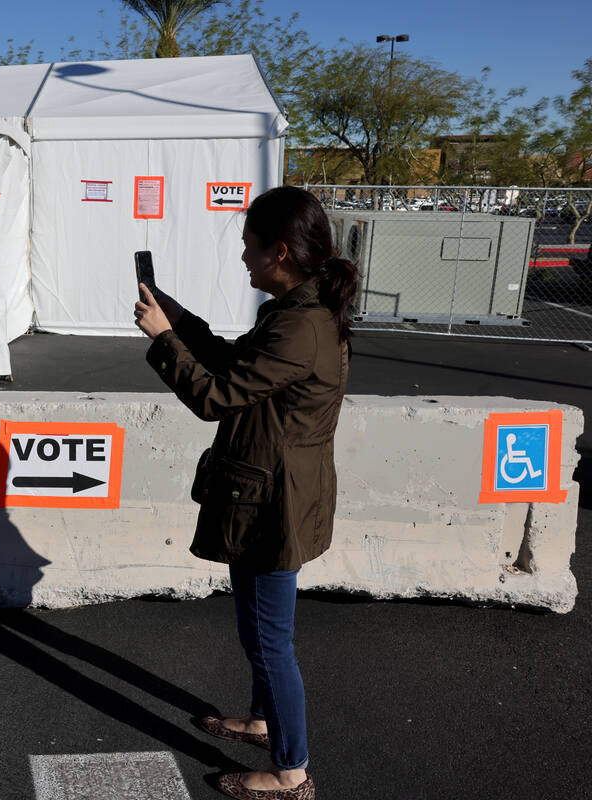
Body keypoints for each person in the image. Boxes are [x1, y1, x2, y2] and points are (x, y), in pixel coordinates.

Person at [133, 186, 359, 800]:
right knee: (260, 630)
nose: (242, 259)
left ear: (278, 252)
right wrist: (180, 322)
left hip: (274, 500)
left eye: (247, 248)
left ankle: (291, 771)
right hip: (268, 489)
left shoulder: (301, 325)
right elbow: (237, 368)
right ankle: (263, 723)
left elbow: (214, 397)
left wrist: (161, 340)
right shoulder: (293, 312)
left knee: (268, 638)